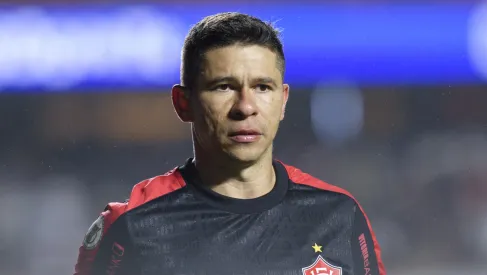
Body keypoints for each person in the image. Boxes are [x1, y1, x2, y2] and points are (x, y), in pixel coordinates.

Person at [74, 12, 385, 275]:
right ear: (183, 103)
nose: (245, 107)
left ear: (283, 101)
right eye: (223, 87)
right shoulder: (131, 227)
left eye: (263, 87)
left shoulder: (340, 215)